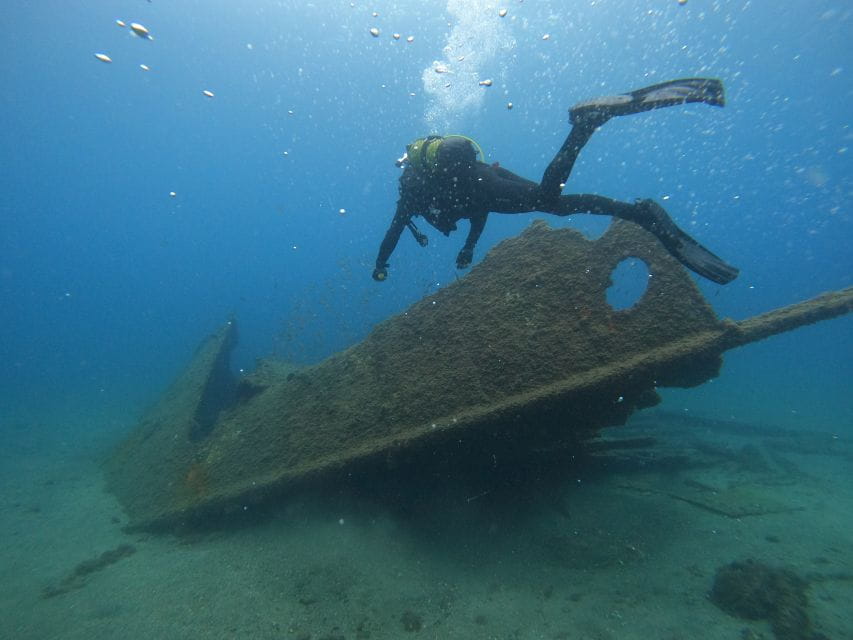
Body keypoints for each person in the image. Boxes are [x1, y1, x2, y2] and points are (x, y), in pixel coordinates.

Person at [372, 78, 739, 285]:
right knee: (555, 203)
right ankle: (637, 213)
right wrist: (468, 248)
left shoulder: (412, 195)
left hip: (479, 183)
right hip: (486, 176)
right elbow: (478, 214)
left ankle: (585, 125)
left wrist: (381, 265)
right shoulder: (430, 187)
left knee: (549, 200)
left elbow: (393, 232)